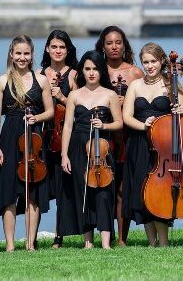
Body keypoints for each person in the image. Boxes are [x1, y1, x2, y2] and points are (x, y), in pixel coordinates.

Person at [0, 35, 54, 251]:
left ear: (32, 55)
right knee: (9, 193)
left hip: (33, 138)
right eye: (18, 53)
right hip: (9, 137)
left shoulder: (41, 80)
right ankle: (10, 245)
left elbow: (50, 111)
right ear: (12, 55)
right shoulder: (1, 81)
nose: (22, 58)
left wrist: (37, 118)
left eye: (26, 53)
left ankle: (30, 243)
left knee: (33, 191)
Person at [122, 43, 183, 246]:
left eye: (153, 61)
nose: (149, 66)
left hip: (164, 145)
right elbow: (127, 116)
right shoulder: (135, 85)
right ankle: (151, 241)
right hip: (140, 143)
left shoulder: (171, 85)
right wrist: (143, 126)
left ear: (161, 62)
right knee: (143, 191)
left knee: (160, 192)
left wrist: (179, 111)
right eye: (146, 62)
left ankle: (164, 241)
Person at [58, 50, 123, 249]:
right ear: (82, 71)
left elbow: (119, 123)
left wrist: (104, 126)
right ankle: (88, 241)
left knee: (103, 194)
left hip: (101, 148)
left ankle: (105, 242)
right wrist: (64, 155)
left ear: (101, 71)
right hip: (78, 147)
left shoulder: (110, 94)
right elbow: (68, 126)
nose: (91, 73)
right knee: (82, 191)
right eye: (87, 69)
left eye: (95, 69)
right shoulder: (74, 95)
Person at [95, 25, 143, 246]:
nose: (114, 47)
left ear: (124, 45)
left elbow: (144, 102)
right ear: (103, 46)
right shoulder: (97, 69)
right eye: (109, 43)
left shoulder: (134, 72)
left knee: (124, 186)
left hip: (127, 136)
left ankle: (123, 238)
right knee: (105, 186)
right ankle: (106, 234)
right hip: (104, 134)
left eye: (118, 42)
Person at [39, 30, 78, 248]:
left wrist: (61, 97)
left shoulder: (73, 75)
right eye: (54, 46)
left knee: (64, 187)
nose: (58, 51)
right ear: (47, 49)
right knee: (42, 187)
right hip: (43, 136)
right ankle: (31, 236)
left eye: (62, 47)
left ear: (67, 50)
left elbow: (79, 105)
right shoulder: (39, 73)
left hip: (64, 136)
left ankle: (59, 235)